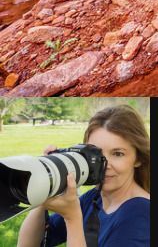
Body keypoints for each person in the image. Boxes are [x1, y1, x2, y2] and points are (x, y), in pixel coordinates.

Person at [17, 105, 150, 247]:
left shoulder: (141, 213)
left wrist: (72, 218)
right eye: (96, 154)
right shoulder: (94, 199)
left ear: (138, 158)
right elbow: (29, 244)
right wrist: (47, 187)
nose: (104, 165)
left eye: (118, 154)